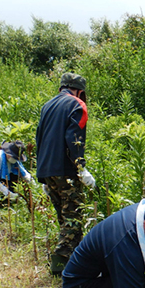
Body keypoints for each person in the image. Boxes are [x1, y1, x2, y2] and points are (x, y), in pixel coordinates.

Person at [35, 72, 96, 276]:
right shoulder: (77, 105)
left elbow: (39, 138)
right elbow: (74, 138)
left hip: (47, 169)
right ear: (79, 91)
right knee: (74, 219)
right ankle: (59, 267)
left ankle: (72, 264)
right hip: (65, 171)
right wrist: (81, 168)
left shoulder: (47, 106)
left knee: (64, 219)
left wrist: (42, 175)